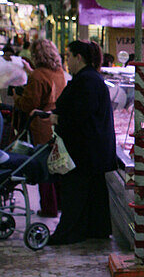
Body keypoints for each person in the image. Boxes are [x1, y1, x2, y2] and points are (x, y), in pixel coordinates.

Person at [49, 41, 117, 245]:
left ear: (79, 57)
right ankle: (94, 230)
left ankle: (71, 233)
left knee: (76, 194)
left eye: (68, 55)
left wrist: (58, 120)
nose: (66, 60)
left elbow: (81, 116)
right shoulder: (89, 78)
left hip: (85, 151)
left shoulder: (86, 80)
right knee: (92, 193)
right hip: (92, 150)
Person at [13, 38, 67, 217]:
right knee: (57, 166)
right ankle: (59, 204)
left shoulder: (37, 75)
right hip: (56, 123)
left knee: (44, 167)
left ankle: (48, 207)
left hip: (41, 125)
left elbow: (29, 104)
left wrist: (16, 98)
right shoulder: (59, 71)